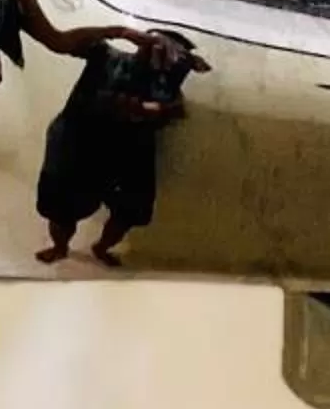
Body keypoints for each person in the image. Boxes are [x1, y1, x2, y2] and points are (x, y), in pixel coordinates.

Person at [34, 28, 208, 264]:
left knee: (129, 212)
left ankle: (101, 247)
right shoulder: (105, 55)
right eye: (154, 44)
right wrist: (118, 31)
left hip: (128, 152)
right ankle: (60, 246)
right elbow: (58, 41)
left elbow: (176, 109)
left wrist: (157, 110)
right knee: (61, 210)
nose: (162, 53)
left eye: (172, 52)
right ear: (140, 42)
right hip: (76, 146)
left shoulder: (166, 84)